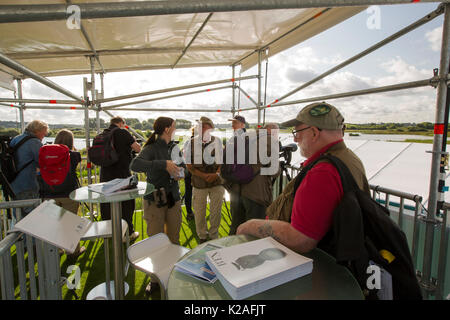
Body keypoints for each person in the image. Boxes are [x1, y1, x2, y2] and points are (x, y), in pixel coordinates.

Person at [237, 102, 369, 254]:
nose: (295, 139)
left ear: (314, 133)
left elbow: (301, 239)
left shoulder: (323, 172)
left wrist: (251, 225)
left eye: (297, 132)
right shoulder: (349, 158)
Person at [129, 116, 183, 295]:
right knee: (156, 241)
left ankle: (172, 276)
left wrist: (180, 173)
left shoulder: (174, 148)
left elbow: (183, 168)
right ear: (167, 129)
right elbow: (135, 164)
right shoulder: (151, 148)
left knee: (174, 240)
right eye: (173, 126)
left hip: (173, 199)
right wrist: (163, 165)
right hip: (155, 201)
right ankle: (155, 281)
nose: (175, 128)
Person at [38, 129, 85, 258]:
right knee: (70, 224)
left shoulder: (44, 153)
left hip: (48, 193)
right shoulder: (74, 155)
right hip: (69, 193)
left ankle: (56, 250)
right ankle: (73, 250)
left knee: (54, 224)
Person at [228, 123, 281, 234]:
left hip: (235, 190)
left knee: (236, 226)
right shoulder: (269, 141)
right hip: (255, 193)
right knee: (254, 231)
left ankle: (230, 249)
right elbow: (274, 172)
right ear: (271, 131)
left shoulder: (245, 138)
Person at [99, 116, 141, 243]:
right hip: (122, 173)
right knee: (126, 203)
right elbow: (137, 148)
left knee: (108, 203)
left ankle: (109, 231)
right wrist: (134, 141)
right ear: (121, 123)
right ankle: (128, 232)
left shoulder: (103, 134)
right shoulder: (122, 132)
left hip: (105, 174)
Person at [184, 116, 224, 243]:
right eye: (201, 126)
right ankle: (202, 236)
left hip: (217, 183)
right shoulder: (190, 143)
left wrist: (216, 174)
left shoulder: (217, 141)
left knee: (216, 212)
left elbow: (223, 162)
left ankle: (213, 235)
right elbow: (189, 165)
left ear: (210, 128)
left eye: (206, 126)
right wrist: (203, 176)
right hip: (199, 183)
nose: (203, 129)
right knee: (199, 212)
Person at [10, 120, 49, 219]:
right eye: (43, 134)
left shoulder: (16, 139)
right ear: (37, 131)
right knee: (31, 220)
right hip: (27, 184)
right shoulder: (34, 142)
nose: (43, 136)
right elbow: (43, 163)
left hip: (13, 185)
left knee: (19, 218)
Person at [182, 127, 196, 221]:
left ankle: (189, 212)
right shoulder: (191, 142)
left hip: (188, 170)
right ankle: (190, 212)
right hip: (191, 171)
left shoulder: (187, 142)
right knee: (190, 192)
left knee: (189, 191)